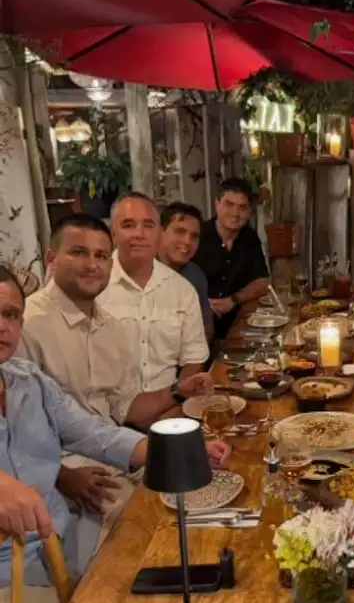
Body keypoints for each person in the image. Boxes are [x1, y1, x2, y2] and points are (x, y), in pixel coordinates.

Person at [0, 262, 231, 603]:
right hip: (8, 583)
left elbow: (97, 433)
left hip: (66, 543)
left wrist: (182, 448)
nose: (4, 326)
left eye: (11, 315)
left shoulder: (28, 383)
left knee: (166, 587)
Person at [18, 214, 219, 517]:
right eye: (78, 252)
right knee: (157, 520)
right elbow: (15, 435)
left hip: (109, 453)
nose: (92, 265)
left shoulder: (111, 327)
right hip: (52, 475)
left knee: (204, 492)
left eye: (100, 255)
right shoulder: (26, 324)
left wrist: (179, 390)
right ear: (52, 258)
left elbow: (125, 408)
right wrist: (61, 477)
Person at [99, 192, 209, 391]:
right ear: (112, 234)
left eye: (148, 226)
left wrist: (176, 398)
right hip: (103, 414)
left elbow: (194, 357)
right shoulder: (94, 285)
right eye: (128, 225)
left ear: (158, 232)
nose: (139, 234)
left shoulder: (182, 290)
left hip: (168, 408)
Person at [193, 178, 270, 338]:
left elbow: (263, 282)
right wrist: (201, 304)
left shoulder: (250, 237)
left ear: (249, 212)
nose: (235, 213)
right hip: (197, 324)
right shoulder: (197, 236)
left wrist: (233, 300)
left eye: (242, 207)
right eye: (229, 204)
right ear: (217, 204)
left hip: (239, 325)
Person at [158, 202, 214, 342]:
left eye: (194, 236)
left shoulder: (195, 275)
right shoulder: (141, 271)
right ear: (159, 231)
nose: (187, 242)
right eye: (180, 232)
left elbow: (207, 330)